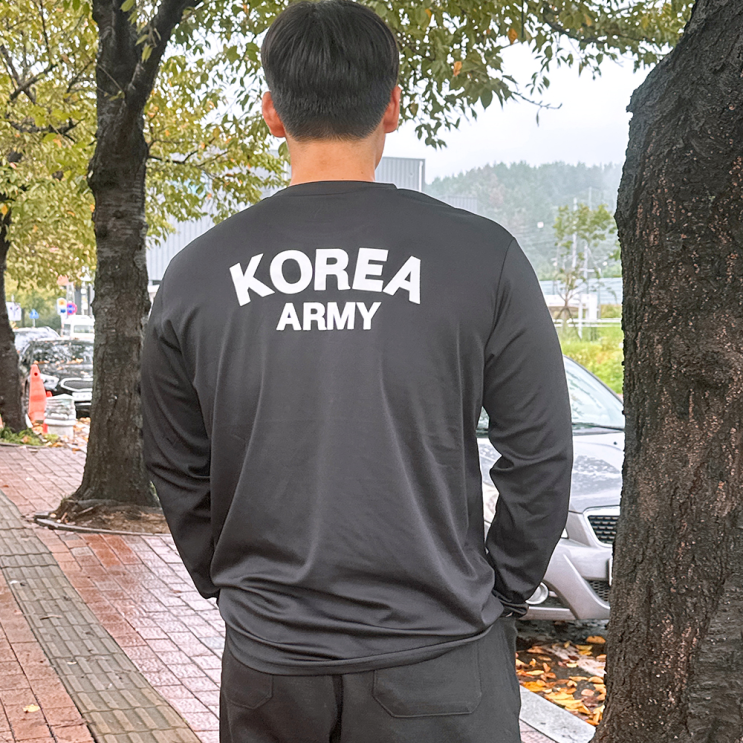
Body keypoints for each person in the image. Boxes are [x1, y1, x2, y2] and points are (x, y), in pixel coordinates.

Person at [140, 2, 573, 741]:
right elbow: (539, 452)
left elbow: (175, 462)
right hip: (440, 657)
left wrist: (234, 583)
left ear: (273, 113)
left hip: (273, 661)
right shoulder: (482, 258)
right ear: (392, 108)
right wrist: (499, 589)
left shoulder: (196, 275)